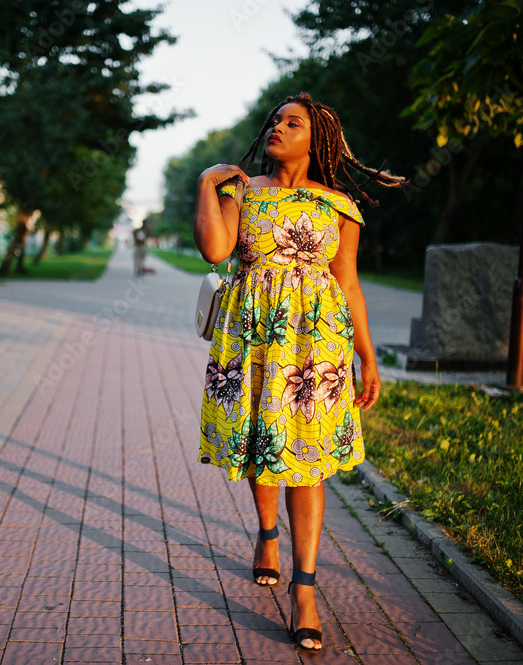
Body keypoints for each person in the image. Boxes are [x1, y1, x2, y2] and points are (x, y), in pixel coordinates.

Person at [193, 92, 406, 651]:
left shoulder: (339, 205)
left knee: (306, 458)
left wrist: (367, 357)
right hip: (253, 337)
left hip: (316, 342)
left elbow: (349, 283)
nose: (279, 128)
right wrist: (207, 184)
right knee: (263, 444)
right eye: (275, 120)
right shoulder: (241, 190)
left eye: (294, 123)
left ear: (318, 141)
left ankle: (304, 589)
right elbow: (214, 251)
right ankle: (268, 535)